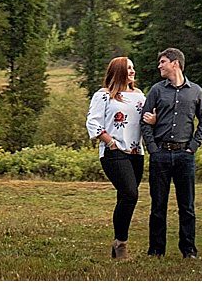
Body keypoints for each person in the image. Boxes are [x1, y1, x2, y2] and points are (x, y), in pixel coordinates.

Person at [140, 47, 202, 259]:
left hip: (184, 156)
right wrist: (153, 148)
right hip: (160, 154)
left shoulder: (196, 91)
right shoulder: (156, 91)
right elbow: (144, 121)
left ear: (175, 63)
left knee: (187, 206)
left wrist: (193, 146)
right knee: (158, 206)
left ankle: (189, 250)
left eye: (163, 62)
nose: (159, 66)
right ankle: (156, 250)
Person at [85, 56, 147, 260]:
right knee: (130, 194)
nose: (133, 71)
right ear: (118, 71)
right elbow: (93, 122)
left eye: (133, 67)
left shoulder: (139, 96)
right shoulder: (103, 95)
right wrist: (111, 142)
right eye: (128, 68)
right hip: (114, 152)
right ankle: (121, 244)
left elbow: (146, 120)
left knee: (125, 197)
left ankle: (117, 243)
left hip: (136, 153)